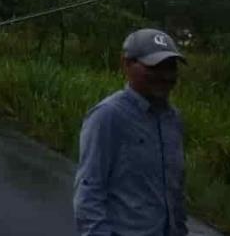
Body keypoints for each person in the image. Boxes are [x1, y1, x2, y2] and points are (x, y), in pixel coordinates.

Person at [74, 28, 187, 236]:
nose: (165, 75)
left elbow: (175, 191)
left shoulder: (173, 119)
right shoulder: (108, 116)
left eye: (171, 67)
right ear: (126, 64)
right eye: (154, 66)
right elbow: (89, 190)